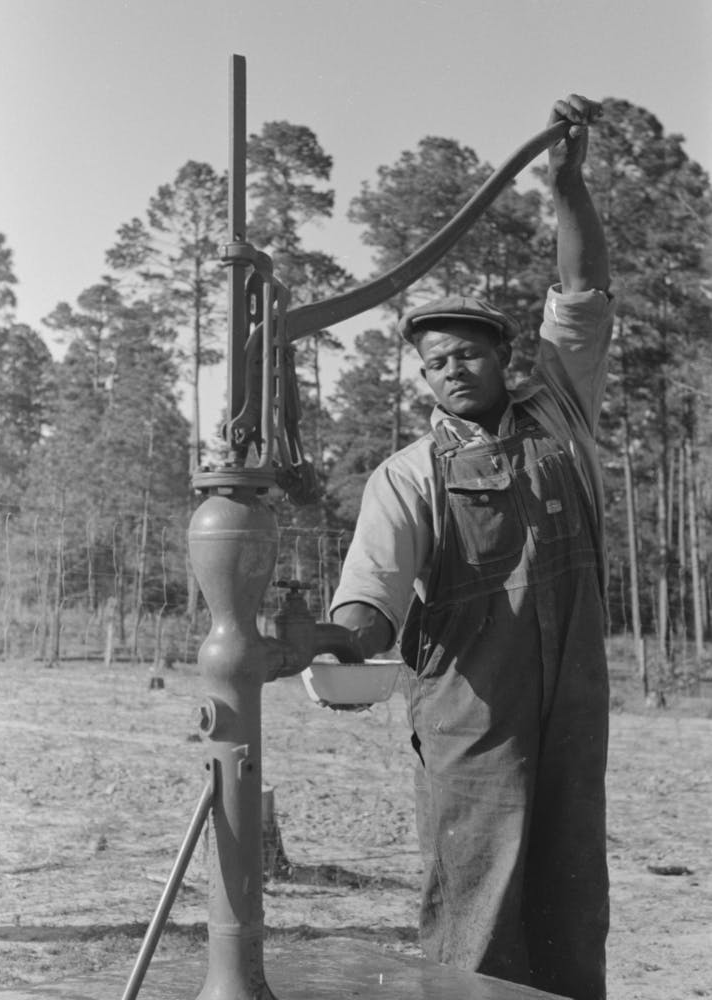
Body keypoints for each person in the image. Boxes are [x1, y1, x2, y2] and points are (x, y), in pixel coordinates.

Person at [329, 94, 615, 1000]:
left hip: (573, 707)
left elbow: (583, 295)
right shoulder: (407, 476)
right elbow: (371, 599)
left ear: (502, 355)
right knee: (475, 908)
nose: (453, 371)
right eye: (435, 362)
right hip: (470, 726)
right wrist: (329, 640)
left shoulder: (561, 417)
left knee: (572, 902)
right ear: (423, 377)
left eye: (467, 354)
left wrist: (567, 184)